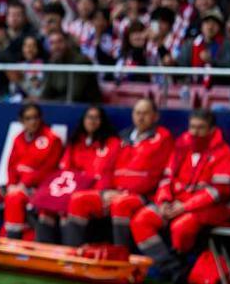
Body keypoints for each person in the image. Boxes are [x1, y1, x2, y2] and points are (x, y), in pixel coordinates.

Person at [129, 110, 230, 282]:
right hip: (177, 204)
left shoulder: (223, 152)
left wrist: (185, 207)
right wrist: (163, 201)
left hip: (212, 209)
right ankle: (172, 267)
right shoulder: (181, 146)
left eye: (200, 128)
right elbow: (166, 178)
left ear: (211, 130)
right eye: (192, 127)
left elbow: (220, 191)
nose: (194, 132)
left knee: (181, 227)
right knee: (141, 220)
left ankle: (178, 267)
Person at [60, 98, 173, 247]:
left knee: (121, 204)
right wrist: (106, 191)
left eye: (145, 113)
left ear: (155, 116)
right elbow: (108, 168)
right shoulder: (122, 137)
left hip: (142, 196)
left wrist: (126, 192)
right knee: (78, 199)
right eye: (137, 113)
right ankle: (72, 252)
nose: (140, 117)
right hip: (114, 192)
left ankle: (121, 254)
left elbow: (154, 174)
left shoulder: (163, 138)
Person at [0, 103, 63, 239]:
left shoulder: (52, 139)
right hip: (15, 186)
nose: (33, 122)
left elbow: (48, 170)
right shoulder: (19, 138)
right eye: (28, 118)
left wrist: (23, 185)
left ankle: (12, 241)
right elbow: (11, 166)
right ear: (21, 121)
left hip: (37, 189)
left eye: (35, 117)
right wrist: (11, 184)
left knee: (14, 198)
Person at [34, 105, 118, 243]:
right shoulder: (75, 142)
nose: (92, 121)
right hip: (72, 188)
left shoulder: (112, 143)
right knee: (46, 206)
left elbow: (106, 173)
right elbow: (65, 169)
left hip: (95, 192)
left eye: (97, 118)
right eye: (89, 117)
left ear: (102, 121)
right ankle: (45, 250)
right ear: (83, 120)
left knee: (72, 203)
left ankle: (69, 251)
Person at [41, 30, 101, 103]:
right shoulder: (54, 63)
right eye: (52, 43)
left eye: (60, 41)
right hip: (62, 104)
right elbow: (46, 93)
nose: (56, 46)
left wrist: (53, 102)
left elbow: (75, 95)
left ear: (67, 43)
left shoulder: (80, 61)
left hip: (85, 106)